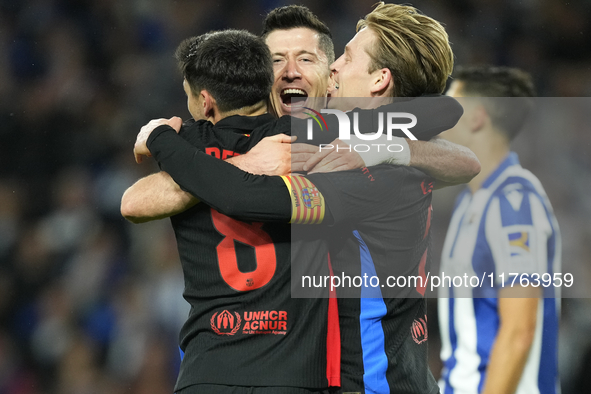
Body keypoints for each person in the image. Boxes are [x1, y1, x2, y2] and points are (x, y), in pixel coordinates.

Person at [128, 4, 479, 393]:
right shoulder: (338, 141)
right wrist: (245, 159)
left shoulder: (351, 164)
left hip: (370, 380)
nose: (331, 70)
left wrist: (164, 140)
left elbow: (242, 195)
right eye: (275, 60)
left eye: (336, 58)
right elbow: (137, 201)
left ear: (378, 79)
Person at [437, 66, 560, 394]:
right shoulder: (469, 201)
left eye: (450, 106)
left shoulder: (514, 202)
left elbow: (519, 331)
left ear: (477, 118)